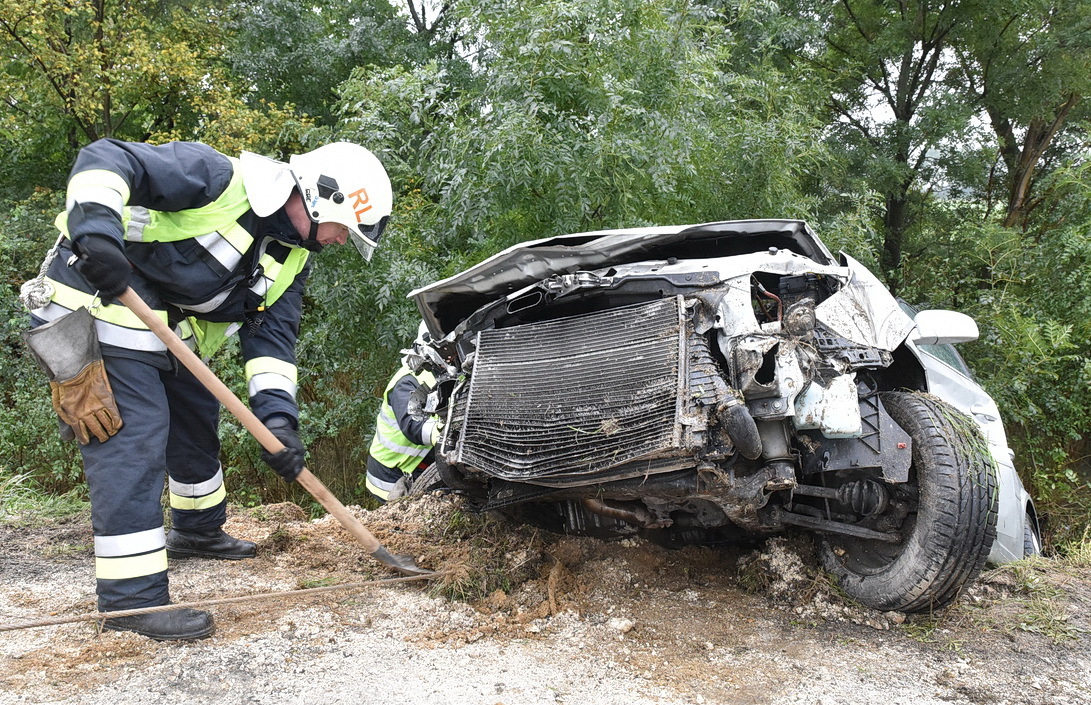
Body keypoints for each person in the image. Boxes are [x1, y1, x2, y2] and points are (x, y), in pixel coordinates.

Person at [25, 138, 392, 641]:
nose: (342, 241)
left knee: (196, 413)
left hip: (167, 331)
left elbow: (272, 340)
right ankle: (131, 600)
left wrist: (279, 423)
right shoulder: (218, 177)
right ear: (319, 197)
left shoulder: (292, 258)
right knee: (134, 439)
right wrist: (97, 236)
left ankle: (197, 531)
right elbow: (106, 157)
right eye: (345, 229)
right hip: (96, 305)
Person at [366, 323, 442, 502]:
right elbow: (414, 425)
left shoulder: (449, 372)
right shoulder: (408, 381)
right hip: (391, 476)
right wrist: (447, 433)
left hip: (418, 464)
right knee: (404, 523)